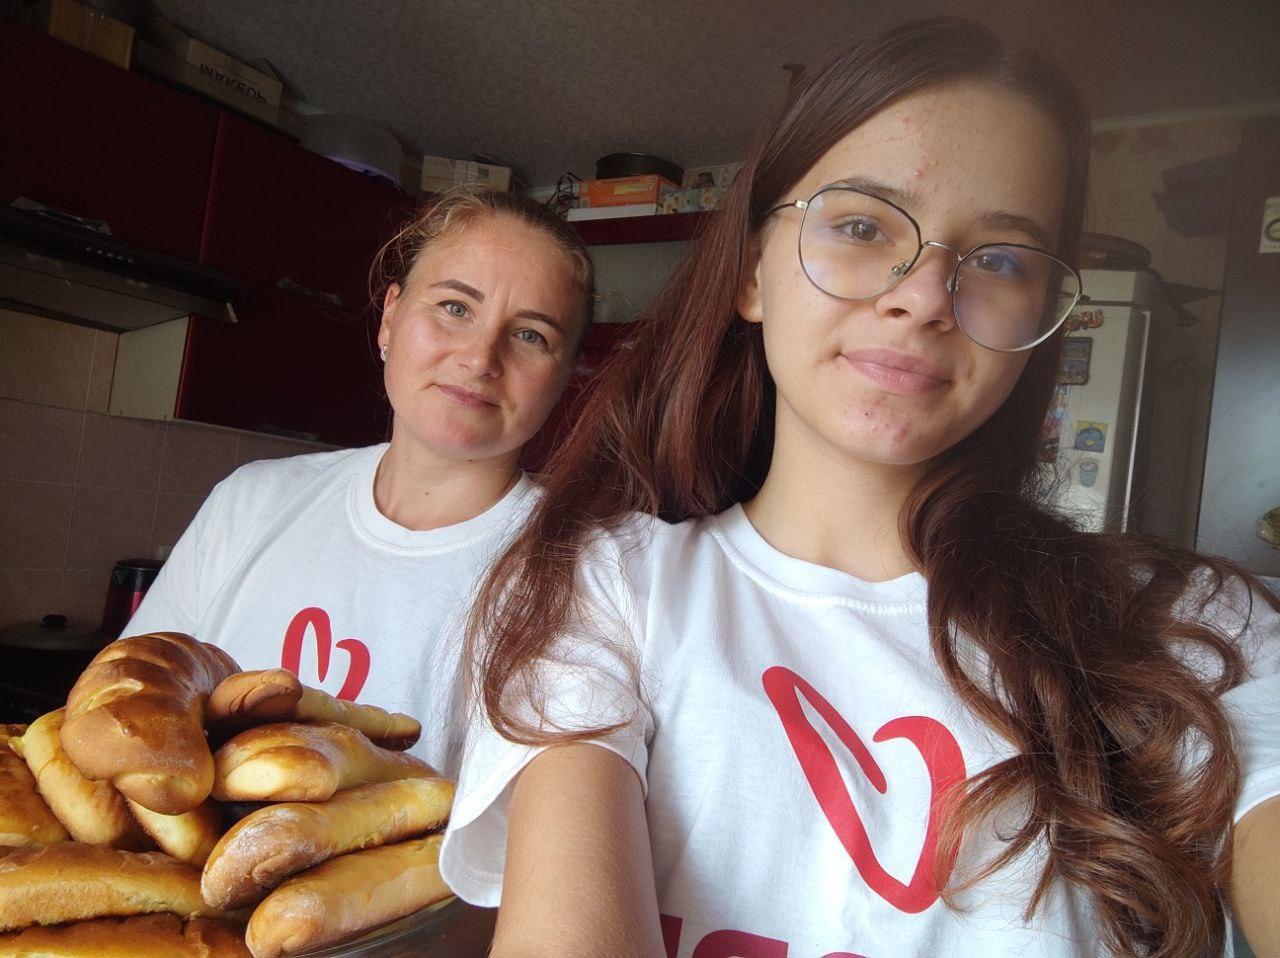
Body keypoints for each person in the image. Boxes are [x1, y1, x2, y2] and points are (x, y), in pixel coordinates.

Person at [440, 19, 1280, 958]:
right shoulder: (600, 589)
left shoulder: (1191, 628)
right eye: (862, 226)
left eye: (1000, 259)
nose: (923, 296)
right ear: (753, 271)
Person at [125, 187, 595, 775]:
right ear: (391, 317)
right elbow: (133, 708)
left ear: (565, 373)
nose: (480, 359)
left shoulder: (588, 571)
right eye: (455, 307)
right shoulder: (247, 502)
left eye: (531, 335)